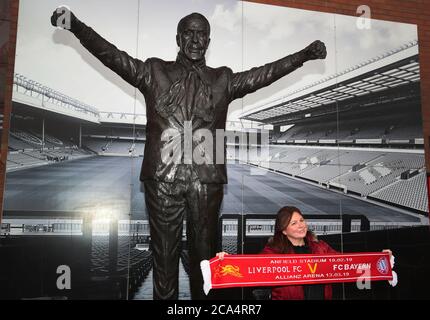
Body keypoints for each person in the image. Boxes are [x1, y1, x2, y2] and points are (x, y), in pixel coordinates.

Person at [50, 8, 327, 300]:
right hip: (163, 178)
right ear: (179, 38)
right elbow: (110, 55)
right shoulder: (154, 71)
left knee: (205, 263)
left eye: (202, 34)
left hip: (206, 181)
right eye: (189, 33)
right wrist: (76, 25)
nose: (195, 40)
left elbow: (265, 74)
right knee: (165, 261)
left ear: (208, 40)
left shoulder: (224, 79)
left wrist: (303, 56)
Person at [217, 206, 392, 300]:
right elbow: (252, 268)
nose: (301, 225)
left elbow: (346, 264)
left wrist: (380, 259)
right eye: (293, 223)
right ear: (283, 230)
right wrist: (227, 261)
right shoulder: (274, 251)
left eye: (301, 220)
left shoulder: (320, 247)